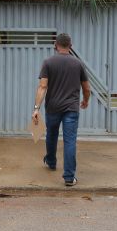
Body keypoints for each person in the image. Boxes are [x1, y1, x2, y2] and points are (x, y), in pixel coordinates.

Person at [32, 33, 90, 186]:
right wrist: (86, 100)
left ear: (55, 45)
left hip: (53, 107)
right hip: (71, 108)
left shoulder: (48, 62)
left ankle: (51, 162)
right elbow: (86, 88)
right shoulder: (78, 64)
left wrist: (36, 109)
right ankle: (69, 177)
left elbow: (42, 86)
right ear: (70, 46)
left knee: (51, 135)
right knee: (70, 141)